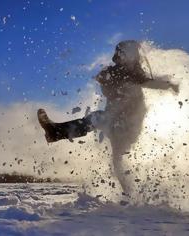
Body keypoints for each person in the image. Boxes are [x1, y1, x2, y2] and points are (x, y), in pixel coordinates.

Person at [37, 40, 179, 193]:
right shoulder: (115, 72)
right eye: (120, 54)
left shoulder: (135, 74)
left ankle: (131, 193)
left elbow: (151, 83)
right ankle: (131, 194)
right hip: (115, 120)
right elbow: (108, 92)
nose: (121, 57)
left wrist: (170, 85)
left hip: (129, 125)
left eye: (125, 53)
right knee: (114, 155)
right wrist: (106, 81)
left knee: (105, 135)